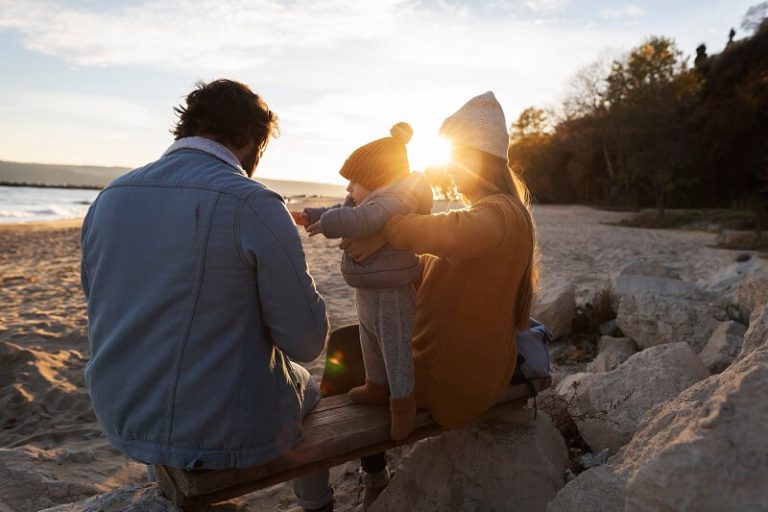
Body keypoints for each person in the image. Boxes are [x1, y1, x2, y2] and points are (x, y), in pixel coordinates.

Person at [80, 79, 333, 511]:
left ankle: (164, 480)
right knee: (310, 387)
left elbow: (100, 298)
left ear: (187, 129)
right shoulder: (253, 203)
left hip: (124, 414)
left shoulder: (110, 197)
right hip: (224, 429)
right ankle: (319, 504)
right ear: (251, 140)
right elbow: (306, 343)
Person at [341, 91, 538, 507]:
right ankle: (373, 471)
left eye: (457, 162)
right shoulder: (508, 211)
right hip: (476, 362)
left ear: (475, 159)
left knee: (344, 355)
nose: (451, 176)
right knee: (361, 334)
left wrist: (379, 227)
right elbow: (437, 254)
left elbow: (436, 232)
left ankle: (372, 474)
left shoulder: (496, 215)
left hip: (455, 379)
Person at [294, 122, 433, 440]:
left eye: (354, 181)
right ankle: (376, 385)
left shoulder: (391, 200)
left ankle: (402, 402)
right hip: (368, 287)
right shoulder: (367, 200)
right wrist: (312, 214)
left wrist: (328, 223)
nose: (348, 189)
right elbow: (342, 210)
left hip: (391, 290)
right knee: (370, 341)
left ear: (375, 179)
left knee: (395, 348)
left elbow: (362, 220)